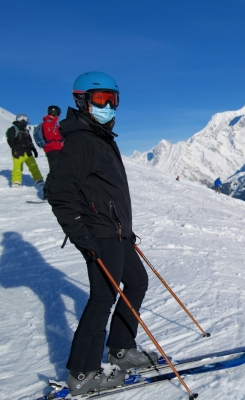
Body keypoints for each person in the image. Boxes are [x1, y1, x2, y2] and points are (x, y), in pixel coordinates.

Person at [45, 72, 158, 395]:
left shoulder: (100, 137)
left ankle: (121, 349)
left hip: (117, 230)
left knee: (136, 282)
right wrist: (81, 234)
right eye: (100, 99)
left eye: (113, 99)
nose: (108, 105)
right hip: (99, 233)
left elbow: (107, 190)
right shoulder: (82, 140)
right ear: (81, 100)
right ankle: (82, 373)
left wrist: (126, 227)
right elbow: (59, 191)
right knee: (102, 298)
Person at [5, 114, 44, 188]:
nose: (27, 122)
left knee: (33, 166)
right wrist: (14, 149)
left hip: (27, 151)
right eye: (26, 121)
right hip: (18, 151)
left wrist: (34, 149)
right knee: (17, 167)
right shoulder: (13, 129)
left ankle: (38, 179)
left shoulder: (26, 130)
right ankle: (16, 181)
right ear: (21, 120)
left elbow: (29, 141)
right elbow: (11, 140)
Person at [41, 105, 64, 173]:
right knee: (54, 170)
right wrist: (61, 137)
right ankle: (50, 183)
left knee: (58, 169)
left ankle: (55, 183)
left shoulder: (53, 122)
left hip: (56, 148)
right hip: (52, 149)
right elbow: (49, 136)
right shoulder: (48, 122)